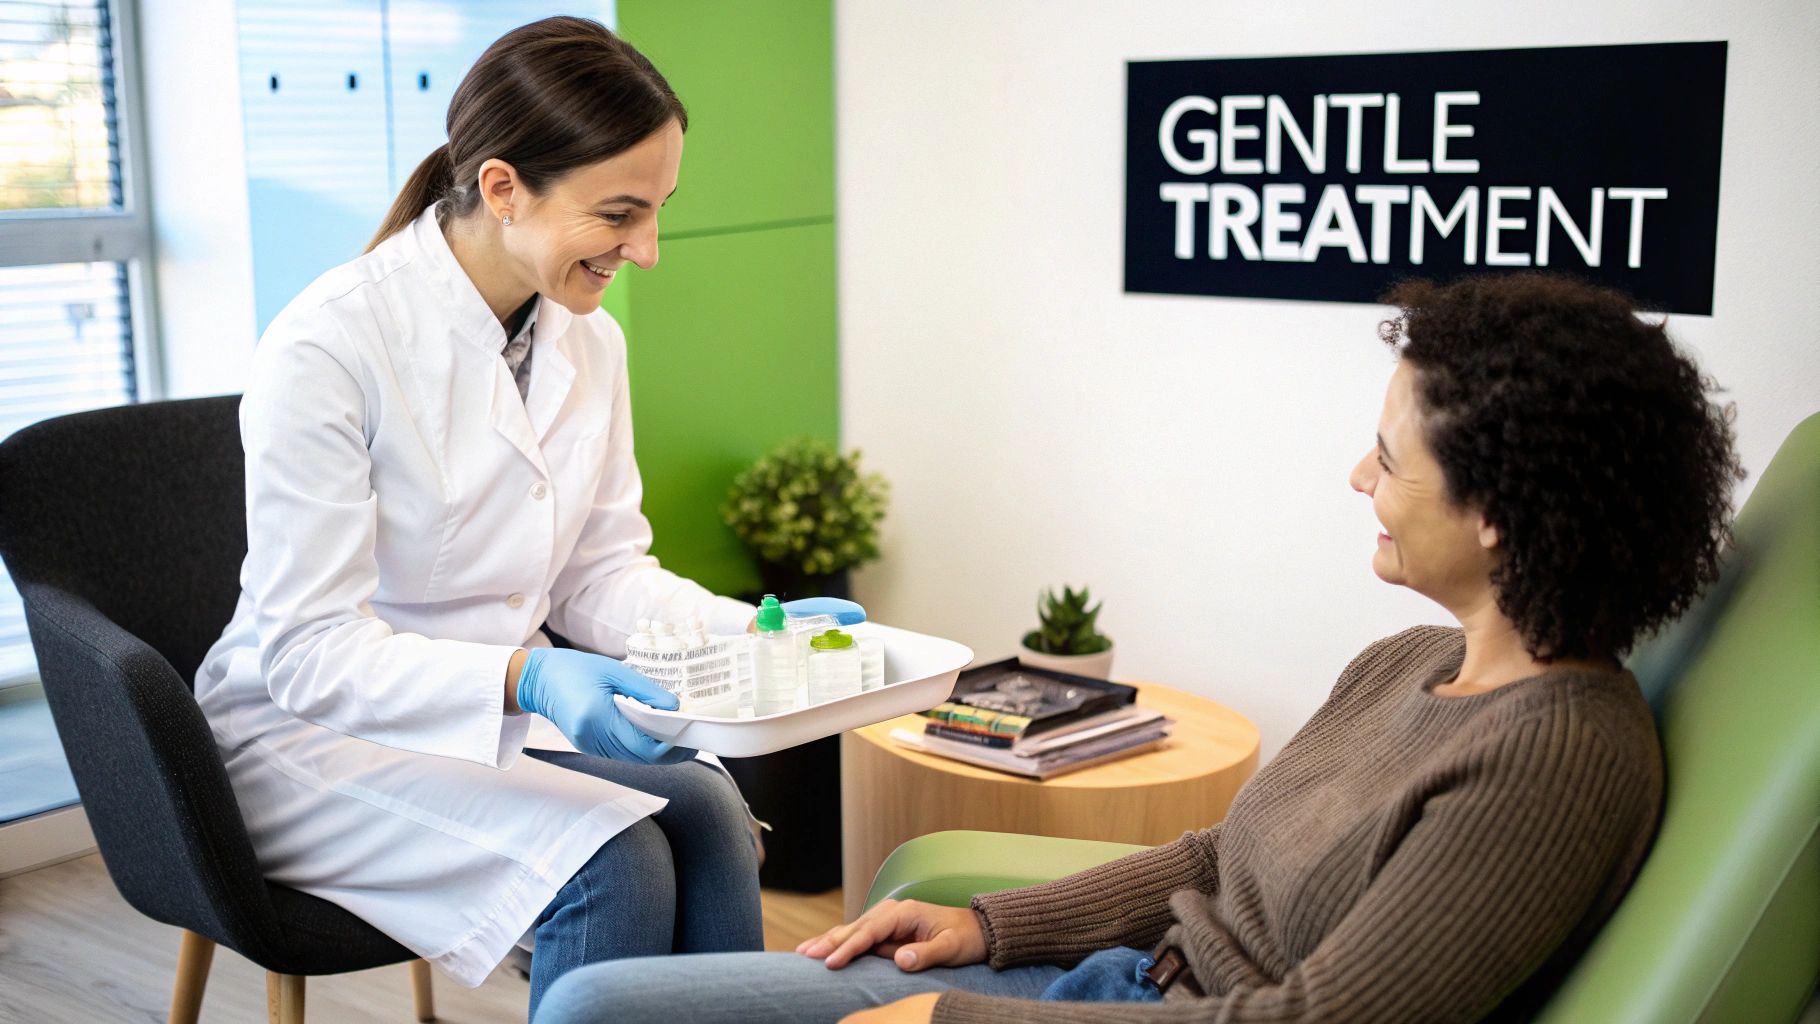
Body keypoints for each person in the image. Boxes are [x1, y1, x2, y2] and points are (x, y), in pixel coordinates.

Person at [531, 272, 1743, 1024]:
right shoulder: (1400, 664)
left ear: (1497, 512)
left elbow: (1312, 1023)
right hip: (1106, 992)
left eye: (1391, 459)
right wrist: (991, 931)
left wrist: (956, 1021)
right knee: (592, 998)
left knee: (596, 1008)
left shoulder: (1553, 763)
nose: (1358, 477)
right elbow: (1221, 855)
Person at [191, 17, 860, 1019]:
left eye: (659, 210)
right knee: (617, 861)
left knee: (713, 811)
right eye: (620, 215)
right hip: (306, 741)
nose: (648, 252)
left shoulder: (587, 343)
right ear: (503, 189)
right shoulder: (328, 347)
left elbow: (597, 575)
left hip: (486, 719)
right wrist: (526, 670)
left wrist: (750, 630)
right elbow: (310, 652)